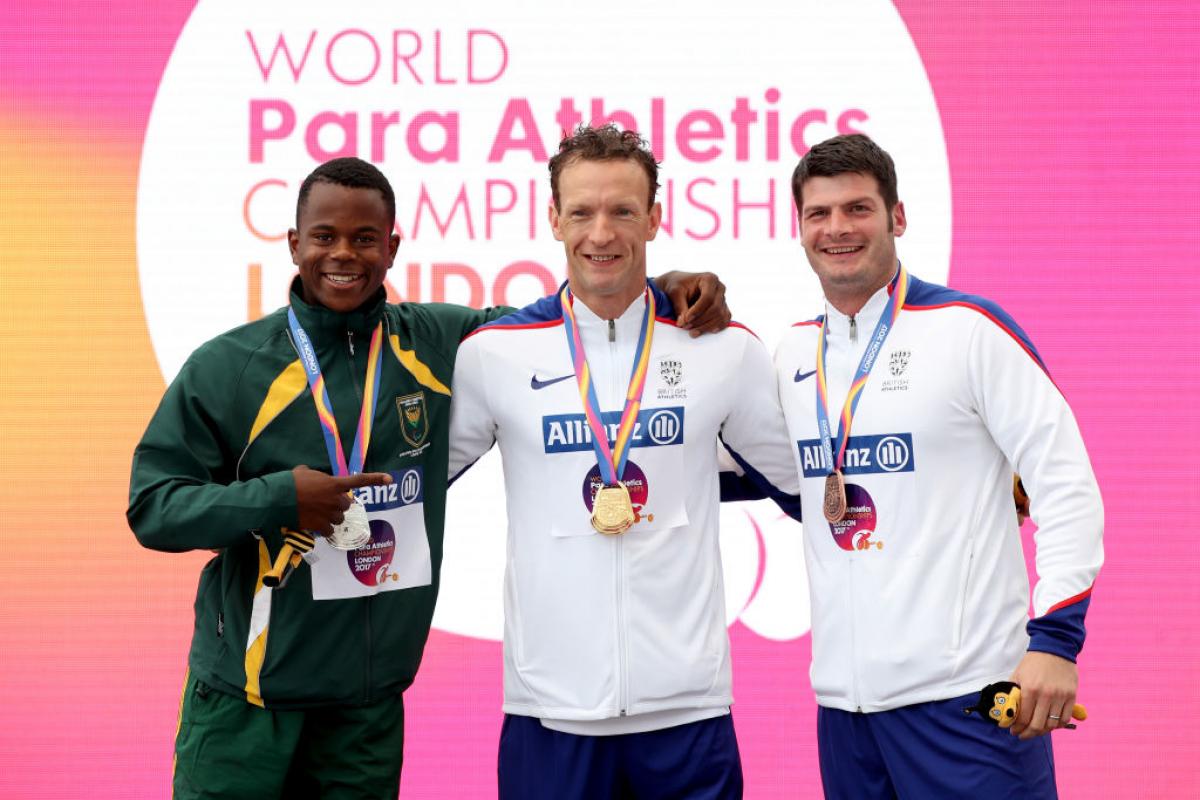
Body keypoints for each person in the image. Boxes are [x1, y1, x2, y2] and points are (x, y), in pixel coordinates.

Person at [127, 156, 729, 798]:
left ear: (392, 248)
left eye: (364, 239)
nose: (343, 255)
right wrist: (279, 499)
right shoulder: (231, 367)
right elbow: (154, 507)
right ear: (294, 243)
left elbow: (566, 322)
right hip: (247, 703)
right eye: (324, 237)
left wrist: (660, 288)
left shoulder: (445, 343)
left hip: (367, 708)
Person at [446, 124, 802, 800]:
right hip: (550, 711)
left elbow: (807, 485)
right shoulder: (494, 355)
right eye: (581, 212)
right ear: (552, 218)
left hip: (688, 712)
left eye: (623, 211)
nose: (601, 233)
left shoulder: (723, 348)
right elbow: (410, 485)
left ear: (655, 218)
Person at [774, 134, 1104, 798]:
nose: (838, 228)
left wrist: (1056, 642)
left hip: (967, 705)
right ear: (800, 228)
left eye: (858, 209)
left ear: (897, 217)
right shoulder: (789, 357)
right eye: (820, 214)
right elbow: (765, 476)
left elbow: (1064, 481)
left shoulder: (969, 331)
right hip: (846, 714)